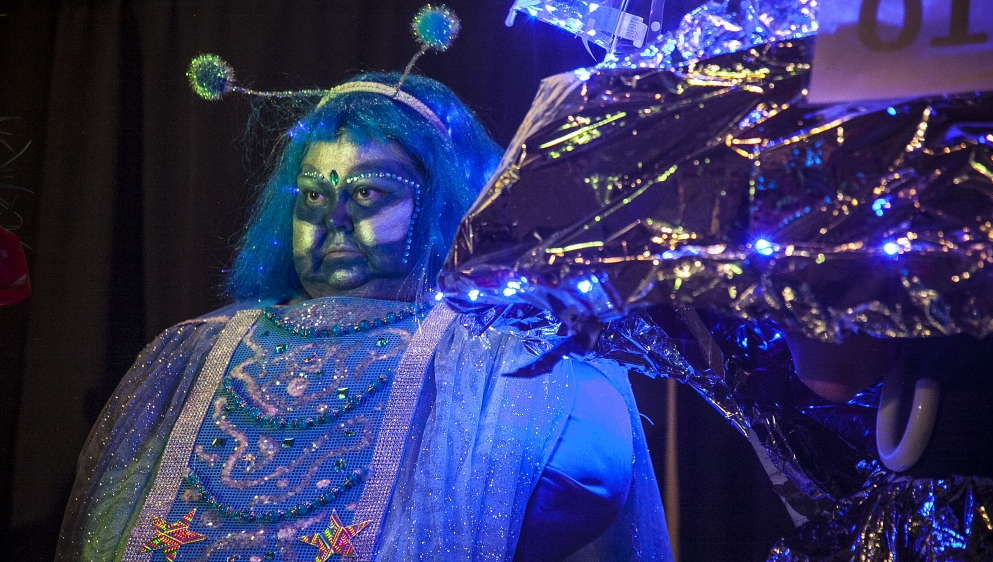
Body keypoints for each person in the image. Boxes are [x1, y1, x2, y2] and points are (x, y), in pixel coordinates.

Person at [55, 72, 670, 561]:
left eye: (369, 192)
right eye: (315, 195)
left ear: (437, 204)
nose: (336, 220)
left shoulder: (502, 356)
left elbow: (585, 482)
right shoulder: (193, 350)